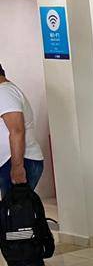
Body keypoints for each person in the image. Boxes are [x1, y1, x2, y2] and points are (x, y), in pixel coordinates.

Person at [0, 63, 46, 194]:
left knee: (17, 206)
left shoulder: (4, 92)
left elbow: (17, 131)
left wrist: (17, 167)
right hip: (14, 161)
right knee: (13, 205)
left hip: (19, 161)